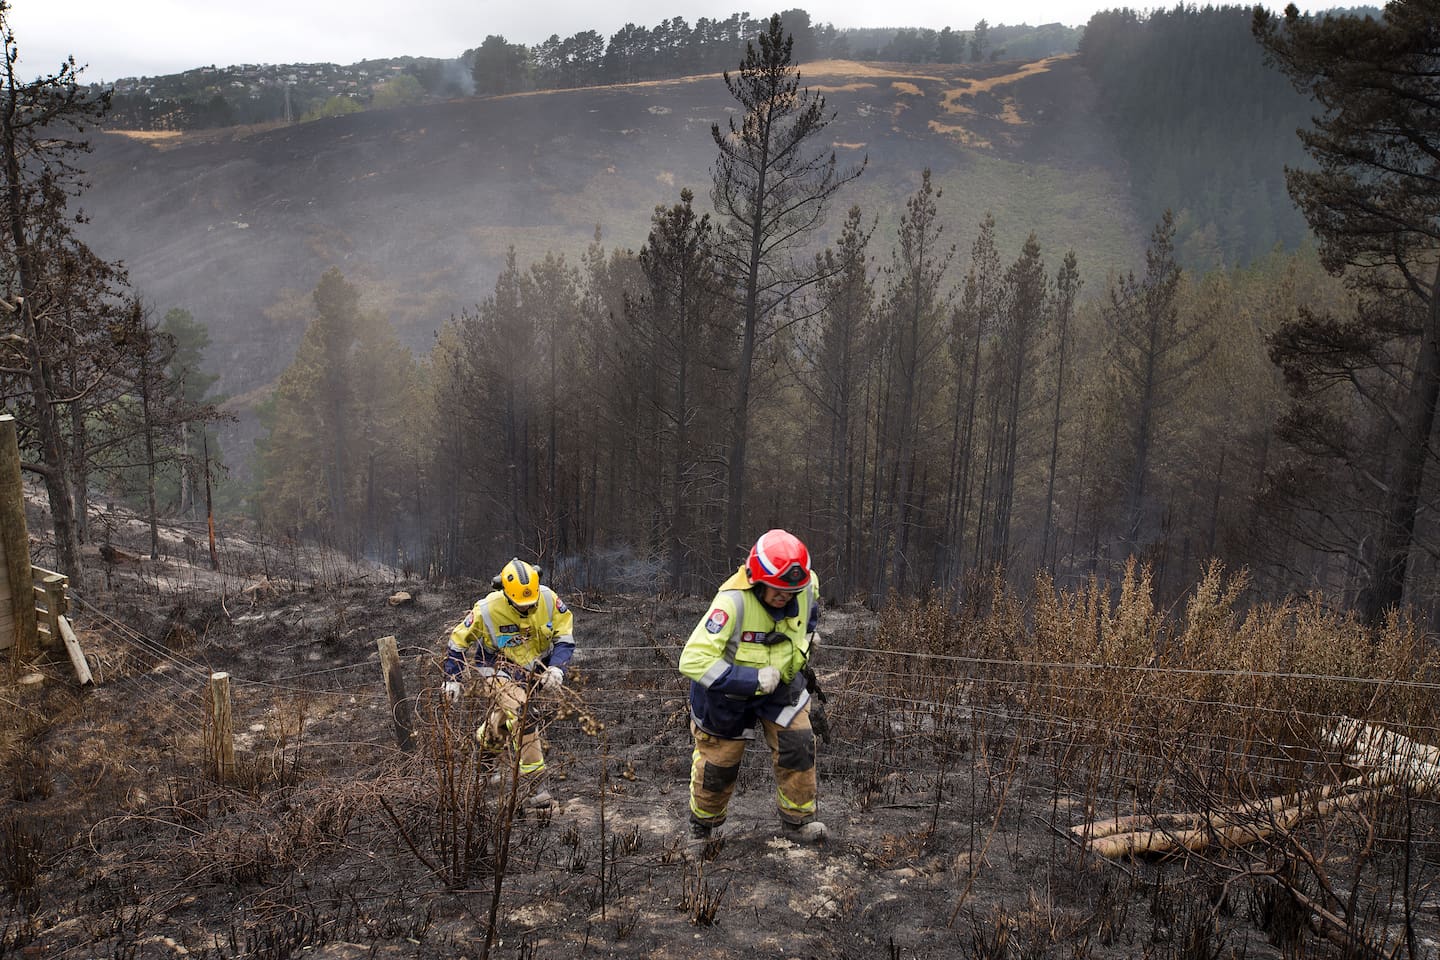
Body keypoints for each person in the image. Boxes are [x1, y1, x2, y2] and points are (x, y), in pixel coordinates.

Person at [678, 529, 827, 850]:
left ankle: (798, 821)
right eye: (777, 590)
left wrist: (806, 640)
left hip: (782, 684)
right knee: (719, 764)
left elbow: (809, 614)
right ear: (758, 580)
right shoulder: (731, 602)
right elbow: (692, 659)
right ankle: (701, 829)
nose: (784, 597)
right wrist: (750, 680)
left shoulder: (806, 586)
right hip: (727, 695)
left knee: (798, 744)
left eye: (791, 591)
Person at [442, 558, 575, 779]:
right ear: (506, 594)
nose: (528, 607)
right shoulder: (486, 609)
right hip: (495, 668)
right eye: (522, 605)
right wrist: (452, 678)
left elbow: (565, 637)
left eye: (531, 603)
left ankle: (483, 761)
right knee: (523, 713)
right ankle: (535, 783)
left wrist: (556, 668)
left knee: (504, 718)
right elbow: (458, 642)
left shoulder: (549, 600)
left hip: (534, 669)